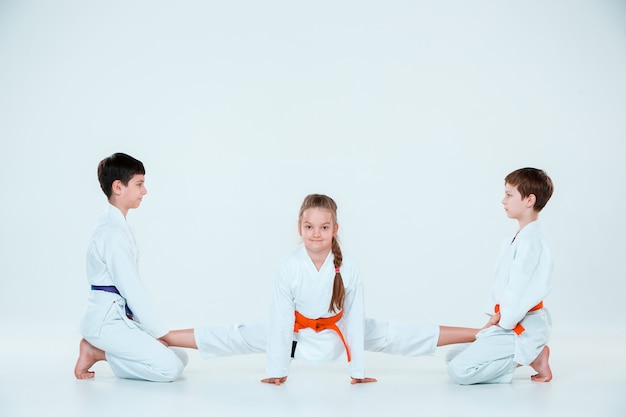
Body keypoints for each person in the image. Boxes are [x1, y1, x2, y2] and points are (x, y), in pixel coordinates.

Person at [262, 194, 494, 386]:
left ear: (335, 229)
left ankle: (480, 333)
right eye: (309, 226)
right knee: (241, 335)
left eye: (324, 227)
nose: (316, 233)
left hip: (341, 329)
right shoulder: (287, 266)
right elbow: (281, 319)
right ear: (299, 228)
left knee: (400, 335)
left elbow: (354, 319)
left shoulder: (349, 266)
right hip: (298, 334)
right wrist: (278, 369)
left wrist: (358, 371)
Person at [74, 153, 265, 382]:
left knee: (179, 357)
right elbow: (131, 288)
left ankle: (101, 351)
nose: (144, 191)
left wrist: (152, 331)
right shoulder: (112, 234)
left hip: (118, 316)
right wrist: (159, 332)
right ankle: (97, 352)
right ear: (118, 187)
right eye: (139, 184)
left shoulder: (118, 227)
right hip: (105, 322)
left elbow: (129, 288)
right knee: (169, 368)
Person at [446, 167, 554, 384]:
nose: (503, 200)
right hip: (508, 321)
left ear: (529, 200)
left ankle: (534, 356)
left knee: (459, 371)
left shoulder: (531, 243)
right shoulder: (516, 238)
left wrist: (502, 321)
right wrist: (494, 318)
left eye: (509, 195)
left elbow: (517, 290)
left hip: (521, 327)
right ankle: (529, 354)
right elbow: (503, 286)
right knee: (452, 357)